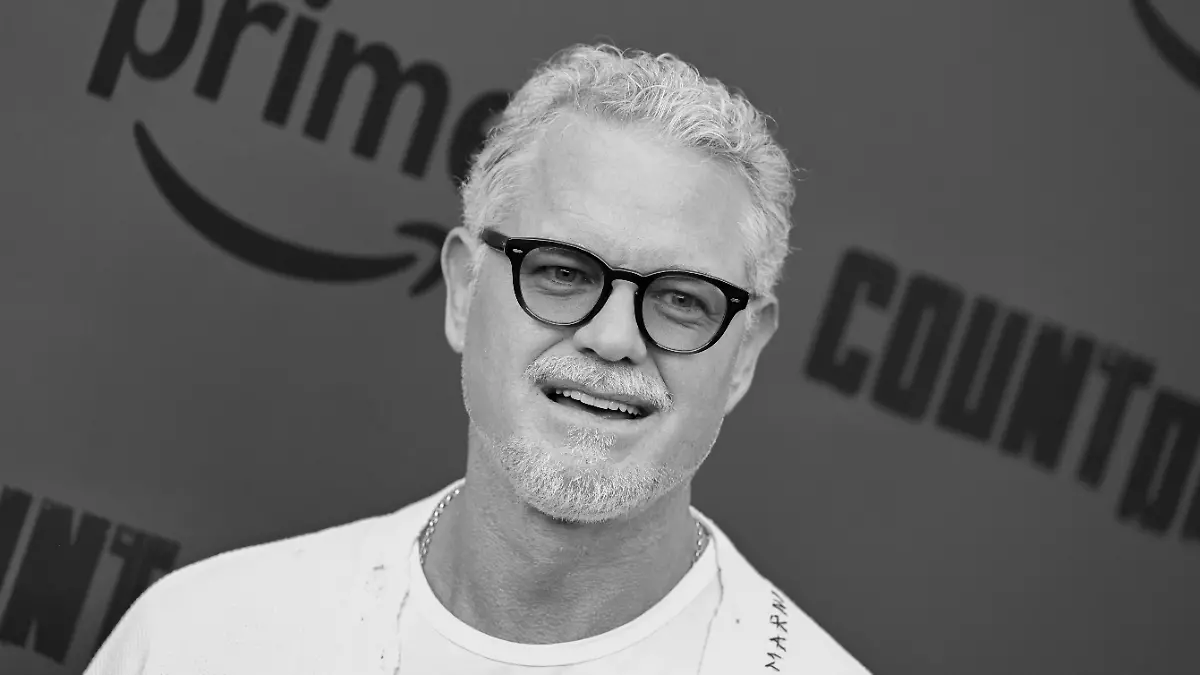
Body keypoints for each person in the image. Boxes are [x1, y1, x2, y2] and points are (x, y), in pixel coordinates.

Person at [84, 44, 871, 674]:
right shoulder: (200, 638)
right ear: (463, 288)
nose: (613, 337)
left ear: (745, 353)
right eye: (562, 272)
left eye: (680, 299)